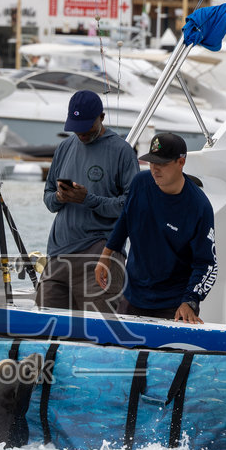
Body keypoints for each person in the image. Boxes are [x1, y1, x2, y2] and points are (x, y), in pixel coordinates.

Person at [93, 133, 216, 322]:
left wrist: (190, 301)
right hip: (132, 295)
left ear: (181, 162)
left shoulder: (200, 207)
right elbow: (125, 220)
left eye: (163, 163)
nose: (155, 169)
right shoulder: (140, 183)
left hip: (174, 305)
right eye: (151, 162)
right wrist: (106, 256)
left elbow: (207, 264)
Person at [38, 90, 138, 313]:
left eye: (86, 126)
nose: (81, 133)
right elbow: (48, 196)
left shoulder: (122, 151)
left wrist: (89, 200)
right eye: (75, 126)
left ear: (101, 117)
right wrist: (59, 197)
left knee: (98, 332)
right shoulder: (65, 147)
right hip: (58, 254)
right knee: (46, 328)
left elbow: (133, 207)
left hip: (100, 254)